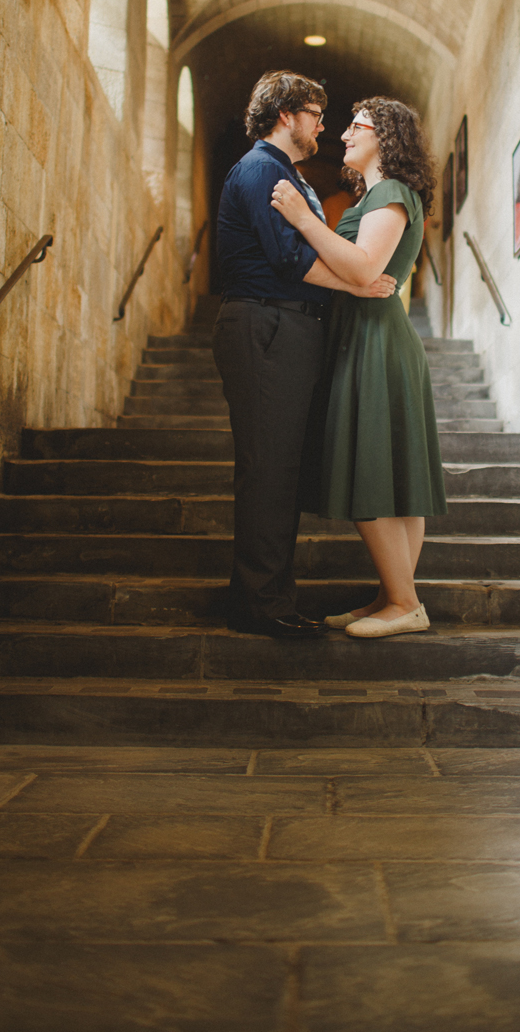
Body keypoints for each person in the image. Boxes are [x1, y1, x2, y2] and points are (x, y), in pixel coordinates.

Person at [212, 71, 396, 640]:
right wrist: (356, 285)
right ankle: (260, 604)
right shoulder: (264, 168)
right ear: (286, 114)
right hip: (266, 322)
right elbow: (289, 259)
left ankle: (268, 596)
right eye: (315, 113)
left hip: (282, 326)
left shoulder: (282, 173)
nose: (323, 124)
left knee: (281, 468)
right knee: (270, 469)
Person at [271, 97, 447, 638]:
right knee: (394, 479)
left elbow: (365, 266)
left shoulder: (390, 191)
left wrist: (303, 218)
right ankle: (395, 596)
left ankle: (403, 603)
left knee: (369, 470)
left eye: (357, 125)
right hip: (369, 335)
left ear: (387, 136)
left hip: (374, 340)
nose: (344, 133)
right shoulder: (378, 193)